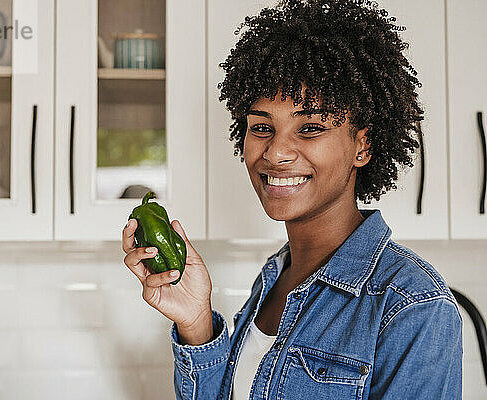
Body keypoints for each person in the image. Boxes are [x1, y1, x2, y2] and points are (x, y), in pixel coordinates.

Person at [121, 0, 463, 398]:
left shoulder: (412, 307)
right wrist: (196, 325)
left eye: (311, 128)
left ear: (362, 145)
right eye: (262, 127)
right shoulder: (275, 277)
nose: (276, 152)